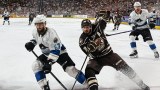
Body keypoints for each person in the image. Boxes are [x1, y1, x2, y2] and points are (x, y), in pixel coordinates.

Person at [79, 18, 150, 90]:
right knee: (89, 71)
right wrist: (93, 49)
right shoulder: (82, 40)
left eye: (87, 27)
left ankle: (141, 84)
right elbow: (90, 55)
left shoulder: (97, 28)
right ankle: (93, 88)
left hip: (109, 55)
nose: (86, 29)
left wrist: (100, 19)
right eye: (84, 28)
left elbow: (103, 22)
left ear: (91, 26)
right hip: (96, 59)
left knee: (126, 68)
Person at [25, 15, 86, 90]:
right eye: (37, 24)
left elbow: (56, 50)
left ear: (45, 24)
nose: (39, 26)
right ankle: (44, 86)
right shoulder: (35, 31)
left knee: (70, 70)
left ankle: (88, 84)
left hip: (60, 53)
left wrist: (49, 62)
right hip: (47, 54)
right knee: (36, 65)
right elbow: (36, 38)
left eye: (41, 24)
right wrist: (31, 43)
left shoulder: (51, 33)